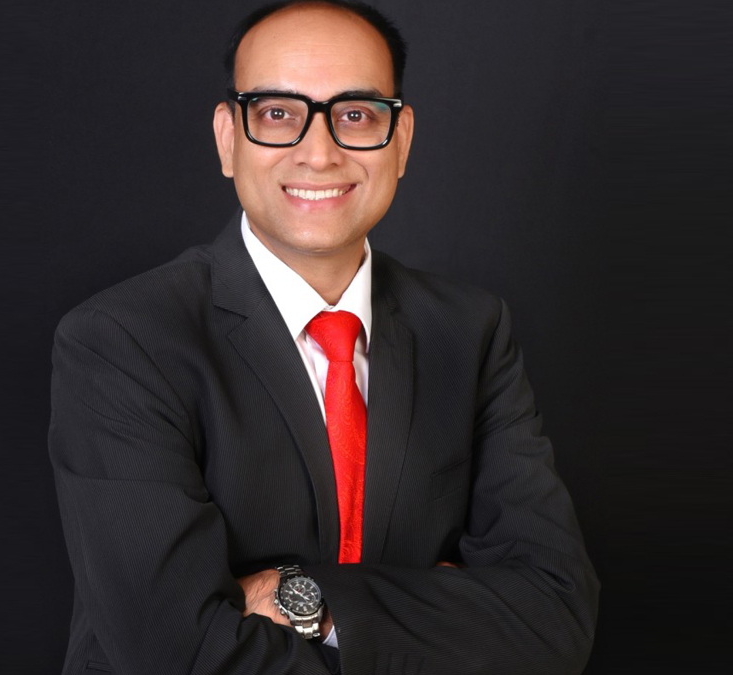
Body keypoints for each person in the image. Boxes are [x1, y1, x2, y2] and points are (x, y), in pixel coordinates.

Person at [48, 1, 599, 673]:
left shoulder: (469, 331)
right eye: (278, 113)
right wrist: (440, 610)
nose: (319, 152)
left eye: (356, 114)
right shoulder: (124, 341)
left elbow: (556, 616)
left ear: (401, 140)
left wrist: (304, 600)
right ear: (228, 139)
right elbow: (176, 652)